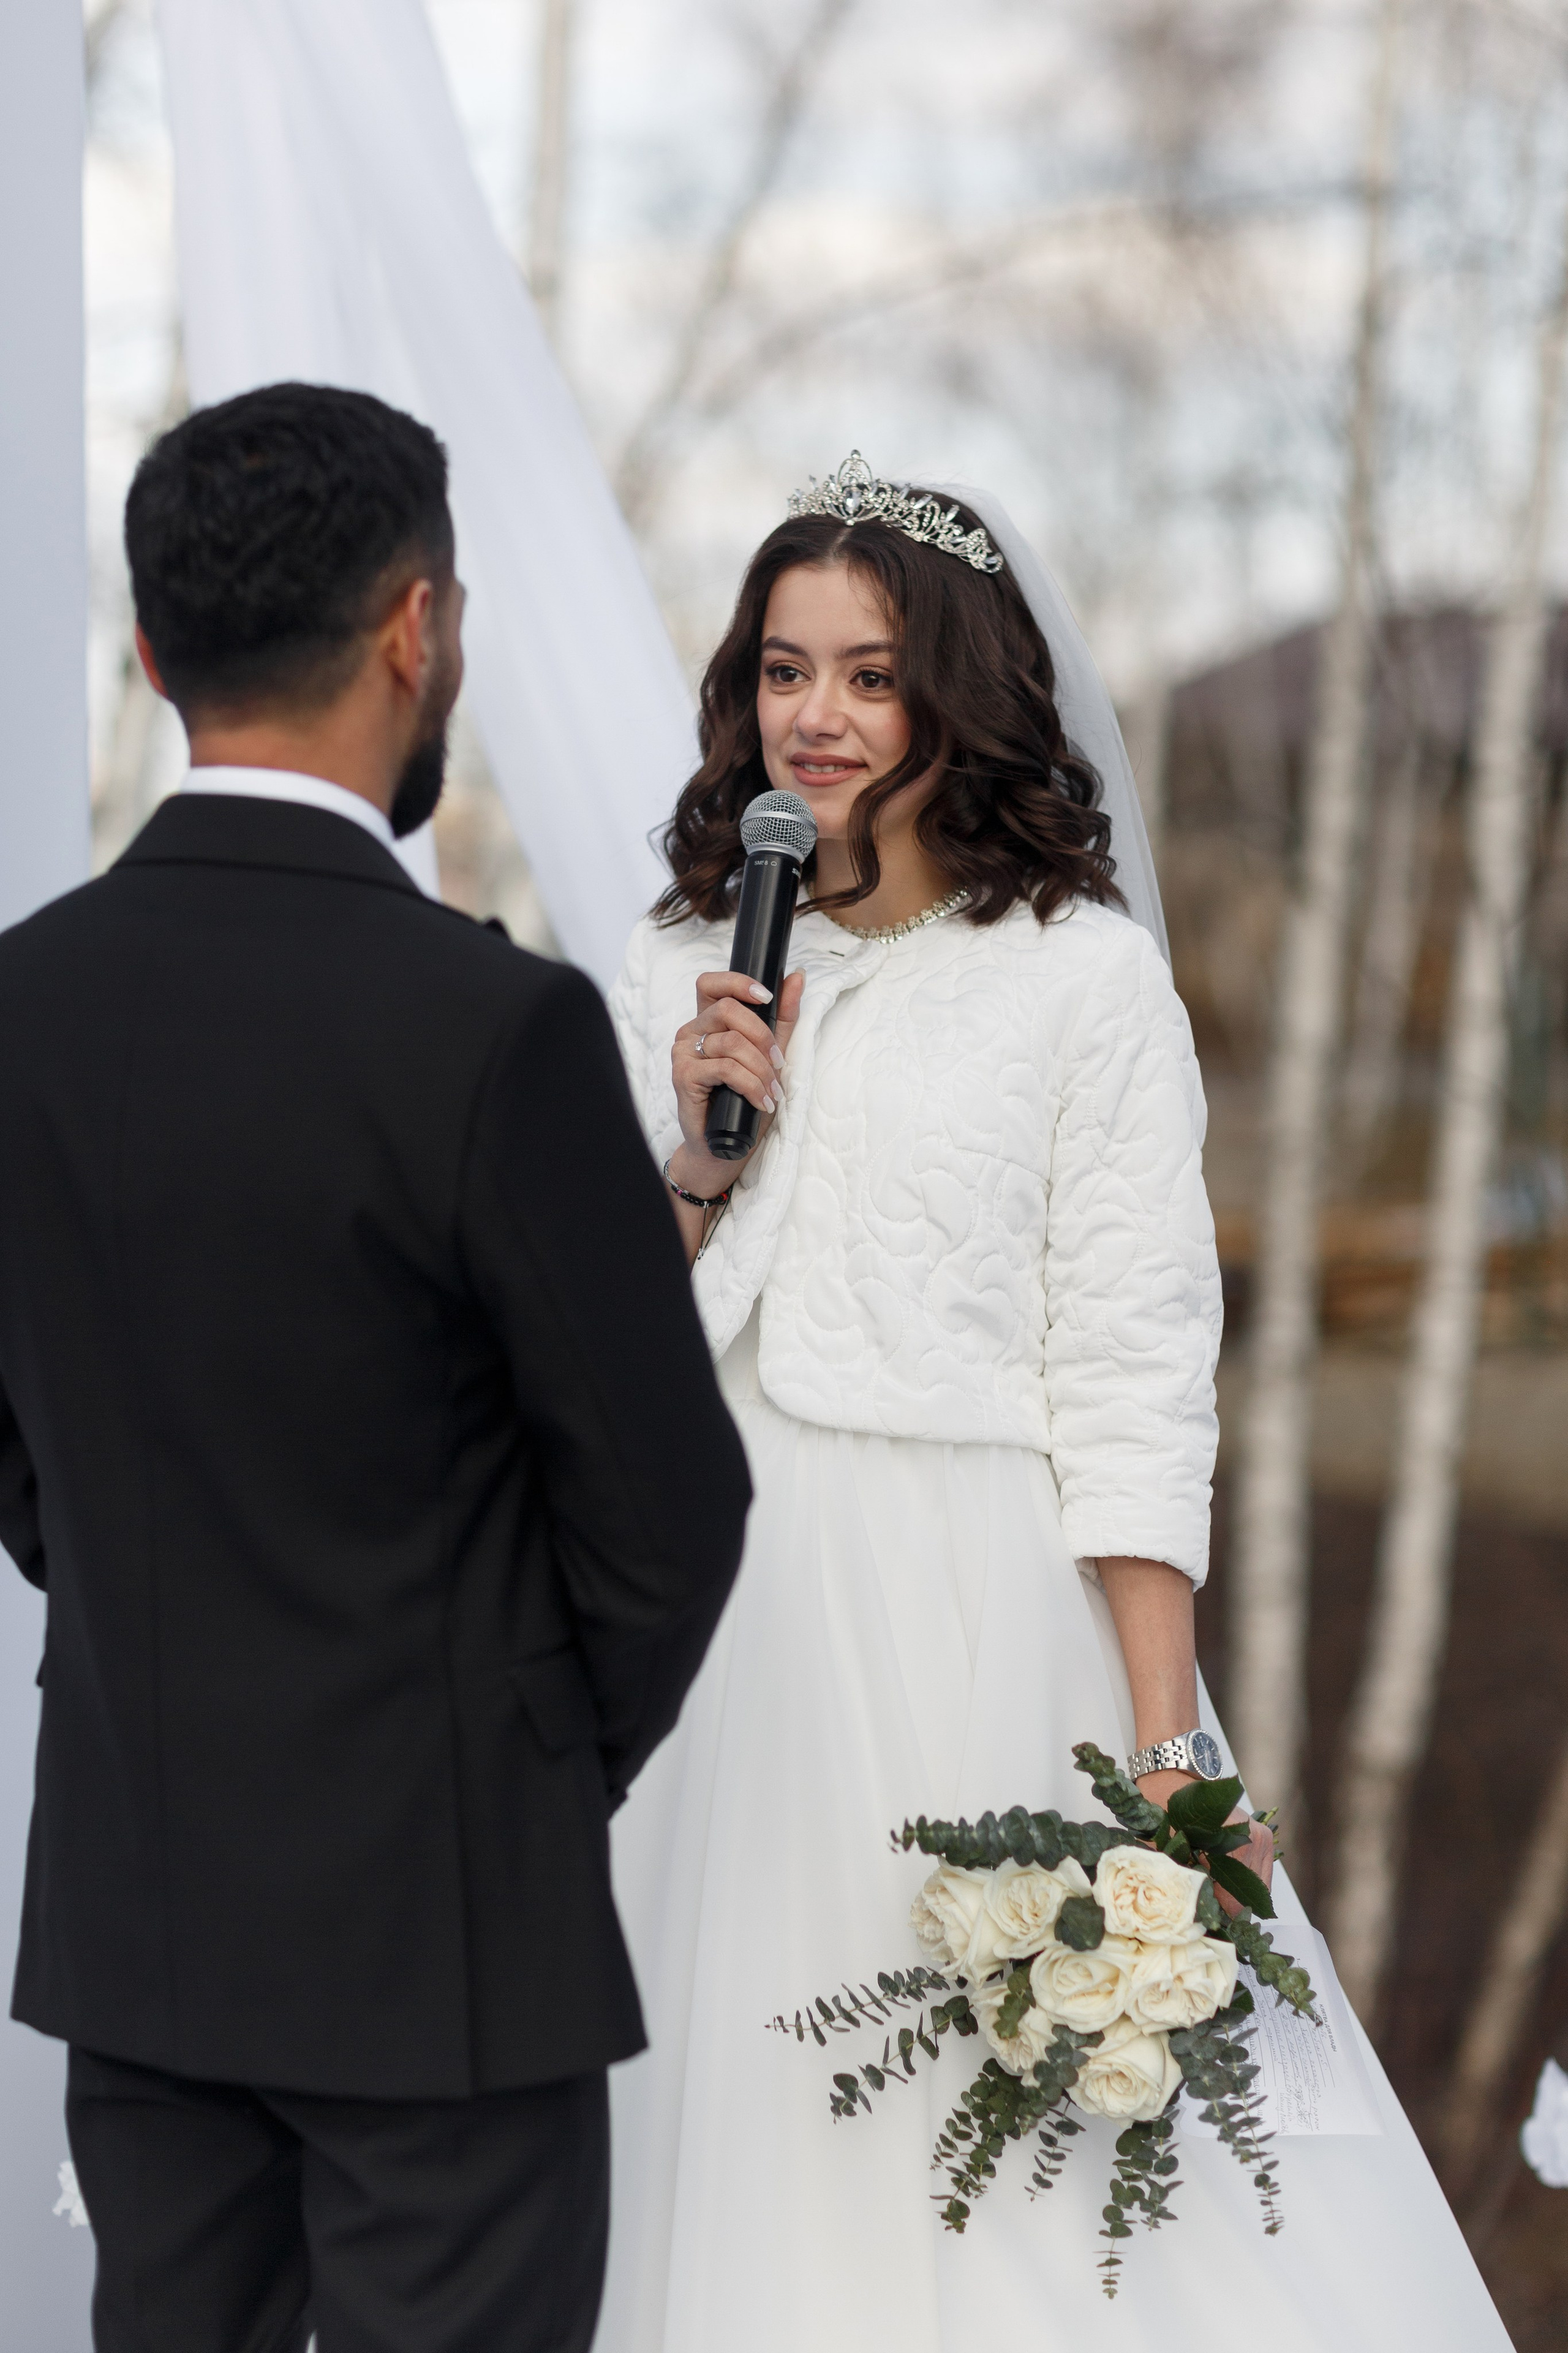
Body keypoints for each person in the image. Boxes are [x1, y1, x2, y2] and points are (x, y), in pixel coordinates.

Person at [598, 453, 1513, 2351]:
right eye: (784, 669)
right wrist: (695, 1159)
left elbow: (1132, 1365)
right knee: (709, 2135)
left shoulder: (1083, 981)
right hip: (707, 1604)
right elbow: (590, 1334)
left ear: (961, 686)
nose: (820, 716)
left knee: (1024, 2184)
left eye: (869, 671)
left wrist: (1165, 1748)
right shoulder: (680, 963)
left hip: (973, 1612)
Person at [0, 382, 750, 2353]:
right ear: (419, 627)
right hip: (449, 1955)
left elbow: (20, 1463)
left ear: (153, 653)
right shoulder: (490, 1030)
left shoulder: (19, 1011)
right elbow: (672, 1509)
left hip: (142, 1915)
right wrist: (510, 1773)